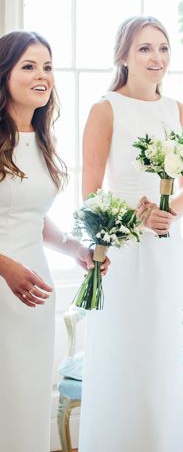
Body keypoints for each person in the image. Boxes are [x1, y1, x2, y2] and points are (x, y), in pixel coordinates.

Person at [78, 16, 183, 452]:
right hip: (122, 251)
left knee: (158, 356)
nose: (156, 58)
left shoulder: (179, 110)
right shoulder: (105, 109)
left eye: (163, 48)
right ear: (123, 55)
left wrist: (170, 214)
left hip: (165, 249)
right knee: (123, 353)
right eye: (145, 48)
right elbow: (90, 193)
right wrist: (139, 215)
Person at [0, 30, 105, 451]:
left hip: (32, 290)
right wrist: (6, 267)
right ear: (4, 73)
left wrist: (76, 249)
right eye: (28, 66)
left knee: (25, 393)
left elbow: (34, 218)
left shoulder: (42, 141)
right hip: (6, 277)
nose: (42, 75)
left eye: (47, 66)